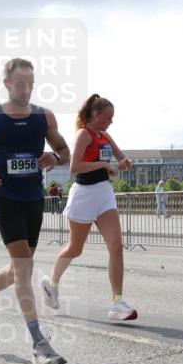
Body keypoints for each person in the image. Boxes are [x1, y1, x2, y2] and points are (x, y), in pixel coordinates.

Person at [0, 58, 71, 364]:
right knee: (24, 270)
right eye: (20, 84)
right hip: (5, 198)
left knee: (18, 269)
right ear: (7, 84)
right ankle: (39, 344)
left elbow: (65, 150)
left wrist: (54, 156)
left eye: (30, 84)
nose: (26, 90)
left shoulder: (43, 117)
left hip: (34, 199)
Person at [40, 94, 138, 322]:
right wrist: (104, 164)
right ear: (95, 115)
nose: (110, 122)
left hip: (104, 192)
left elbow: (121, 157)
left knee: (116, 246)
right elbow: (75, 167)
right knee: (75, 248)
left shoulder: (105, 136)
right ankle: (51, 284)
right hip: (84, 195)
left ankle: (117, 303)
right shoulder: (84, 134)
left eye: (112, 118)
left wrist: (125, 162)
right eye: (107, 118)